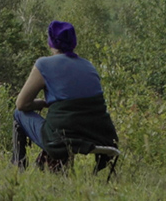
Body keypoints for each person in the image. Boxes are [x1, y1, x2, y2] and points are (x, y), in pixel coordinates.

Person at [12, 20, 118, 171]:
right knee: (62, 120)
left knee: (18, 114)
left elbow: (22, 103)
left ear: (51, 42)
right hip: (98, 136)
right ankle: (51, 166)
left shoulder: (44, 64)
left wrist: (43, 103)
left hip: (59, 139)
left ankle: (18, 166)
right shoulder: (89, 66)